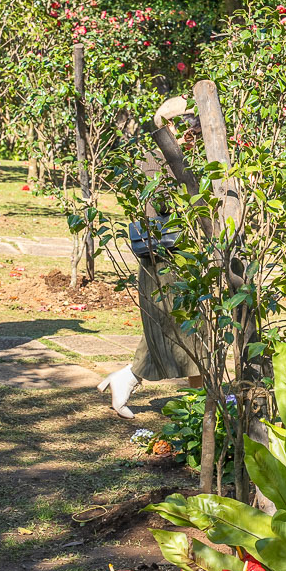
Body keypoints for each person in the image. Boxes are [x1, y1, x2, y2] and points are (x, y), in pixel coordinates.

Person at [97, 96, 200, 417]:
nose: (195, 127)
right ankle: (131, 377)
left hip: (192, 254)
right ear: (169, 125)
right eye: (188, 121)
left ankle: (199, 398)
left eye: (196, 121)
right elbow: (162, 204)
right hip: (167, 256)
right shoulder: (155, 159)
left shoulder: (194, 157)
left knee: (192, 325)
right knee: (183, 325)